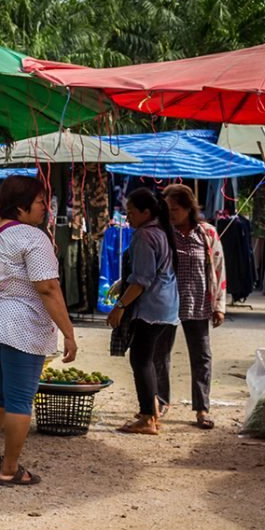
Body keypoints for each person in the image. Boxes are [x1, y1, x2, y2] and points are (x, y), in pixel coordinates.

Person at [0, 176, 77, 485]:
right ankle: (9, 469)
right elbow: (47, 288)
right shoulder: (33, 237)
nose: (45, 208)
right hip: (21, 326)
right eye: (40, 202)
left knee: (1, 394)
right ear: (21, 207)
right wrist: (68, 332)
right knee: (19, 399)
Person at [107, 188, 179, 436]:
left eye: (130, 213)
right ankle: (153, 411)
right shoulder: (161, 231)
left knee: (141, 359)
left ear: (145, 212)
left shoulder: (145, 236)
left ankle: (148, 417)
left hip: (151, 307)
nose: (127, 219)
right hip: (167, 307)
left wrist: (120, 307)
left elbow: (141, 281)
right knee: (146, 359)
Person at [162, 184, 227, 430]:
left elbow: (219, 270)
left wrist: (219, 306)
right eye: (167, 210)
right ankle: (160, 403)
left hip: (199, 304)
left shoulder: (207, 233)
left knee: (202, 357)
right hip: (167, 305)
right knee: (161, 355)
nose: (171, 214)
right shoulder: (163, 233)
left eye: (175, 209)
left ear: (189, 208)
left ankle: (202, 409)